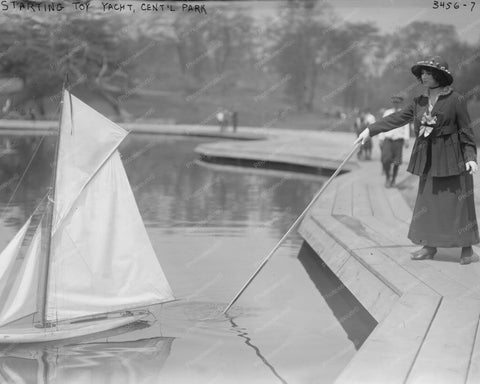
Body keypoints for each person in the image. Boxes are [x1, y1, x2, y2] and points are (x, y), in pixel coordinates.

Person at [355, 56, 479, 265]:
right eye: (422, 73)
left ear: (439, 76)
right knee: (428, 203)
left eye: (428, 73)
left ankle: (467, 249)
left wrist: (471, 157)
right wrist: (370, 130)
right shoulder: (418, 101)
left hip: (453, 158)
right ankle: (429, 246)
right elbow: (396, 119)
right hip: (428, 159)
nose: (423, 76)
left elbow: (466, 130)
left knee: (457, 203)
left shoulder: (456, 99)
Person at [378, 94, 410, 188]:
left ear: (400, 103)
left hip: (398, 141)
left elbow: (406, 126)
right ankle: (388, 177)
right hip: (388, 139)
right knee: (386, 159)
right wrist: (381, 138)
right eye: (394, 102)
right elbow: (382, 124)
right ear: (392, 103)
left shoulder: (404, 113)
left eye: (397, 102)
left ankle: (393, 180)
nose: (395, 104)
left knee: (397, 161)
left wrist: (406, 139)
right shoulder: (387, 112)